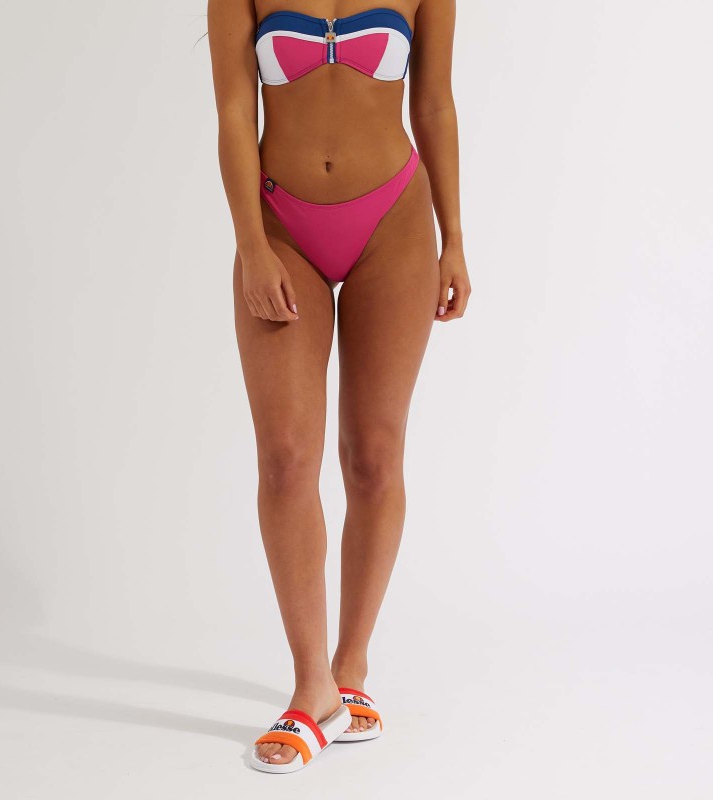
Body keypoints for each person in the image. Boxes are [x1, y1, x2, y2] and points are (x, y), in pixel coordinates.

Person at [207, 0, 470, 772]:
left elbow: (434, 104)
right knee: (286, 458)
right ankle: (311, 686)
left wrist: (455, 240)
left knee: (374, 456)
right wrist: (251, 246)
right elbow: (233, 111)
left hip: (395, 221)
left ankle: (350, 669)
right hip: (278, 225)